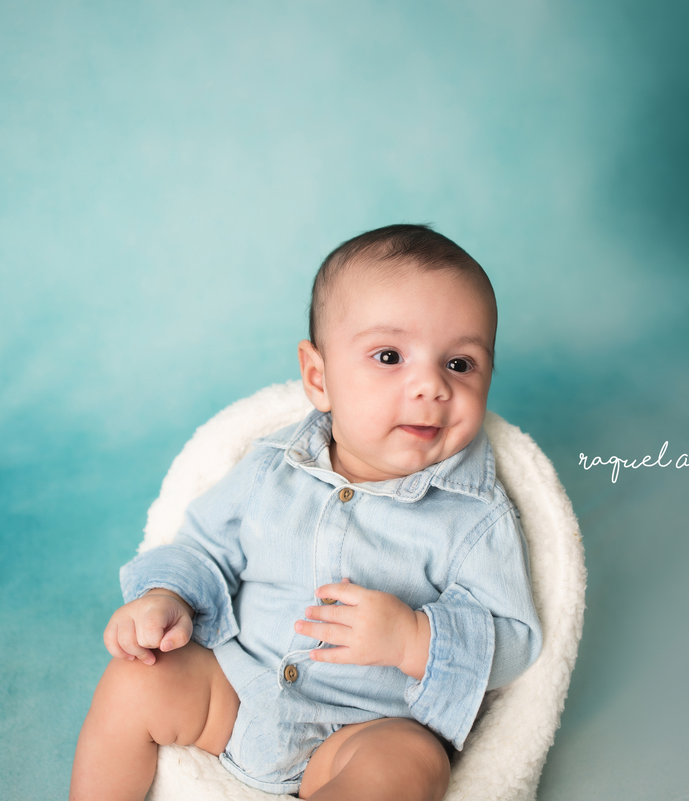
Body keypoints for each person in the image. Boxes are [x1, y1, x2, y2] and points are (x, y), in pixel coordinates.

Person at [70, 224, 542, 801]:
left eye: (461, 364)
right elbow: (204, 550)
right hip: (237, 692)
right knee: (135, 680)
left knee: (412, 765)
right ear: (319, 378)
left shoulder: (474, 515)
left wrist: (412, 638)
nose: (431, 386)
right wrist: (166, 597)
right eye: (389, 356)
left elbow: (514, 638)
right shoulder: (271, 468)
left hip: (364, 728)